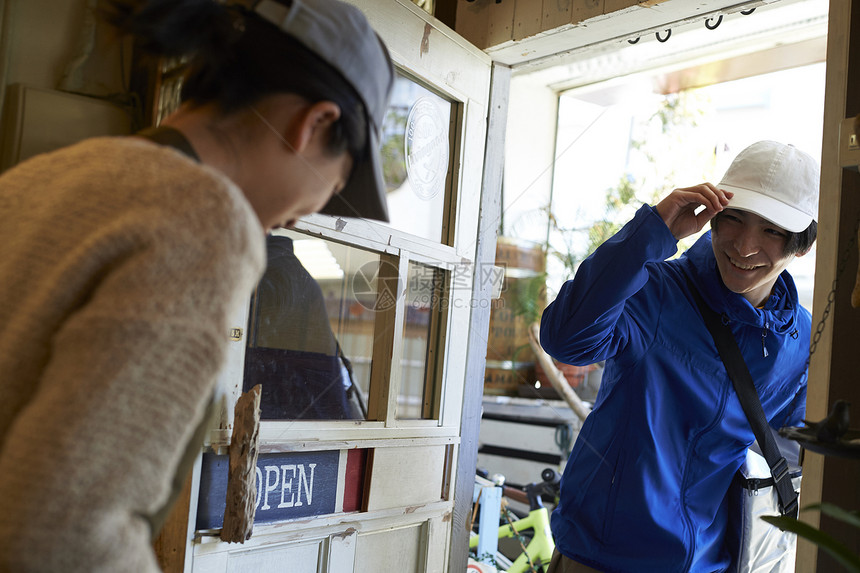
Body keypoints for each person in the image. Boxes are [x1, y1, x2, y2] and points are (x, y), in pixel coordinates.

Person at [0, 0, 393, 570]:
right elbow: (66, 533)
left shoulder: (46, 173)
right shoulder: (206, 219)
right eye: (331, 188)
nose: (304, 214)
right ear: (317, 124)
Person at [540, 140, 818, 572]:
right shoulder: (656, 288)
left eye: (772, 231)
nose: (744, 246)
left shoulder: (799, 340)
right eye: (734, 220)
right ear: (713, 217)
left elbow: (807, 457)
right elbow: (565, 340)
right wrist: (651, 234)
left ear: (800, 245)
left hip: (710, 563)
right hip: (603, 559)